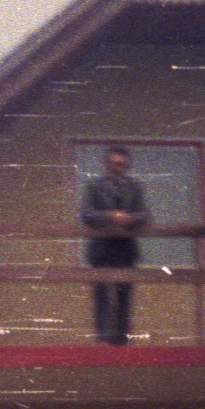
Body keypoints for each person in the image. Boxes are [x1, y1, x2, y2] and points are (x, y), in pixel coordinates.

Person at [80, 146, 150, 345]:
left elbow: (145, 214)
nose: (116, 168)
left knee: (124, 297)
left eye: (120, 164)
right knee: (101, 296)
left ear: (127, 166)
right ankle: (102, 342)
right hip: (101, 249)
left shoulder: (135, 187)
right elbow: (86, 213)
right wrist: (110, 216)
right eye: (112, 164)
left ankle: (121, 342)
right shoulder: (94, 186)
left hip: (126, 249)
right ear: (106, 164)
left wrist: (128, 218)